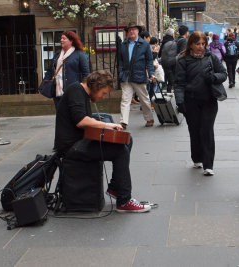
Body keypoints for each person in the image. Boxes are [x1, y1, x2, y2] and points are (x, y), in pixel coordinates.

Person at [54, 70, 151, 213]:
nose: (103, 97)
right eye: (103, 93)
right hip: (71, 147)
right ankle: (124, 201)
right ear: (96, 86)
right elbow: (81, 121)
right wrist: (107, 125)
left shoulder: (82, 92)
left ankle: (115, 188)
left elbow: (83, 118)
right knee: (120, 151)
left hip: (80, 141)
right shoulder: (76, 90)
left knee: (127, 140)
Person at [174, 31, 227, 176]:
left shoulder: (211, 57)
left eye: (203, 44)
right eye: (198, 44)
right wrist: (180, 101)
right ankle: (196, 157)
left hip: (209, 100)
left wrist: (214, 77)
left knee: (206, 130)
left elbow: (224, 73)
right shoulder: (182, 60)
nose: (201, 47)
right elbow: (178, 83)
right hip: (191, 101)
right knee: (195, 130)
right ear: (191, 44)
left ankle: (208, 165)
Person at [118, 22, 155, 129]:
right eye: (130, 30)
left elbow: (149, 60)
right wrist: (120, 71)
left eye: (134, 29)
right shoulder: (123, 45)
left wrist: (151, 73)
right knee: (125, 99)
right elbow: (120, 61)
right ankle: (123, 122)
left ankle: (149, 118)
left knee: (144, 99)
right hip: (126, 76)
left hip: (139, 75)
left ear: (138, 31)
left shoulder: (145, 44)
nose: (131, 31)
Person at [40, 31, 90, 109]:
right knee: (61, 117)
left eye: (64, 38)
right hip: (57, 92)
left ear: (71, 41)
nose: (61, 40)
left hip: (74, 92)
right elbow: (50, 71)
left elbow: (86, 73)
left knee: (73, 116)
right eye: (61, 38)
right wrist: (42, 85)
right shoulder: (57, 54)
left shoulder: (79, 54)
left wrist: (84, 89)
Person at [160, 28, 177, 93]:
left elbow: (160, 53)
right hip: (172, 62)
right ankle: (170, 89)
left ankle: (166, 90)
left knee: (166, 76)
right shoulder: (173, 42)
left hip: (164, 61)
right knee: (171, 77)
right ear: (172, 35)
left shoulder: (163, 41)